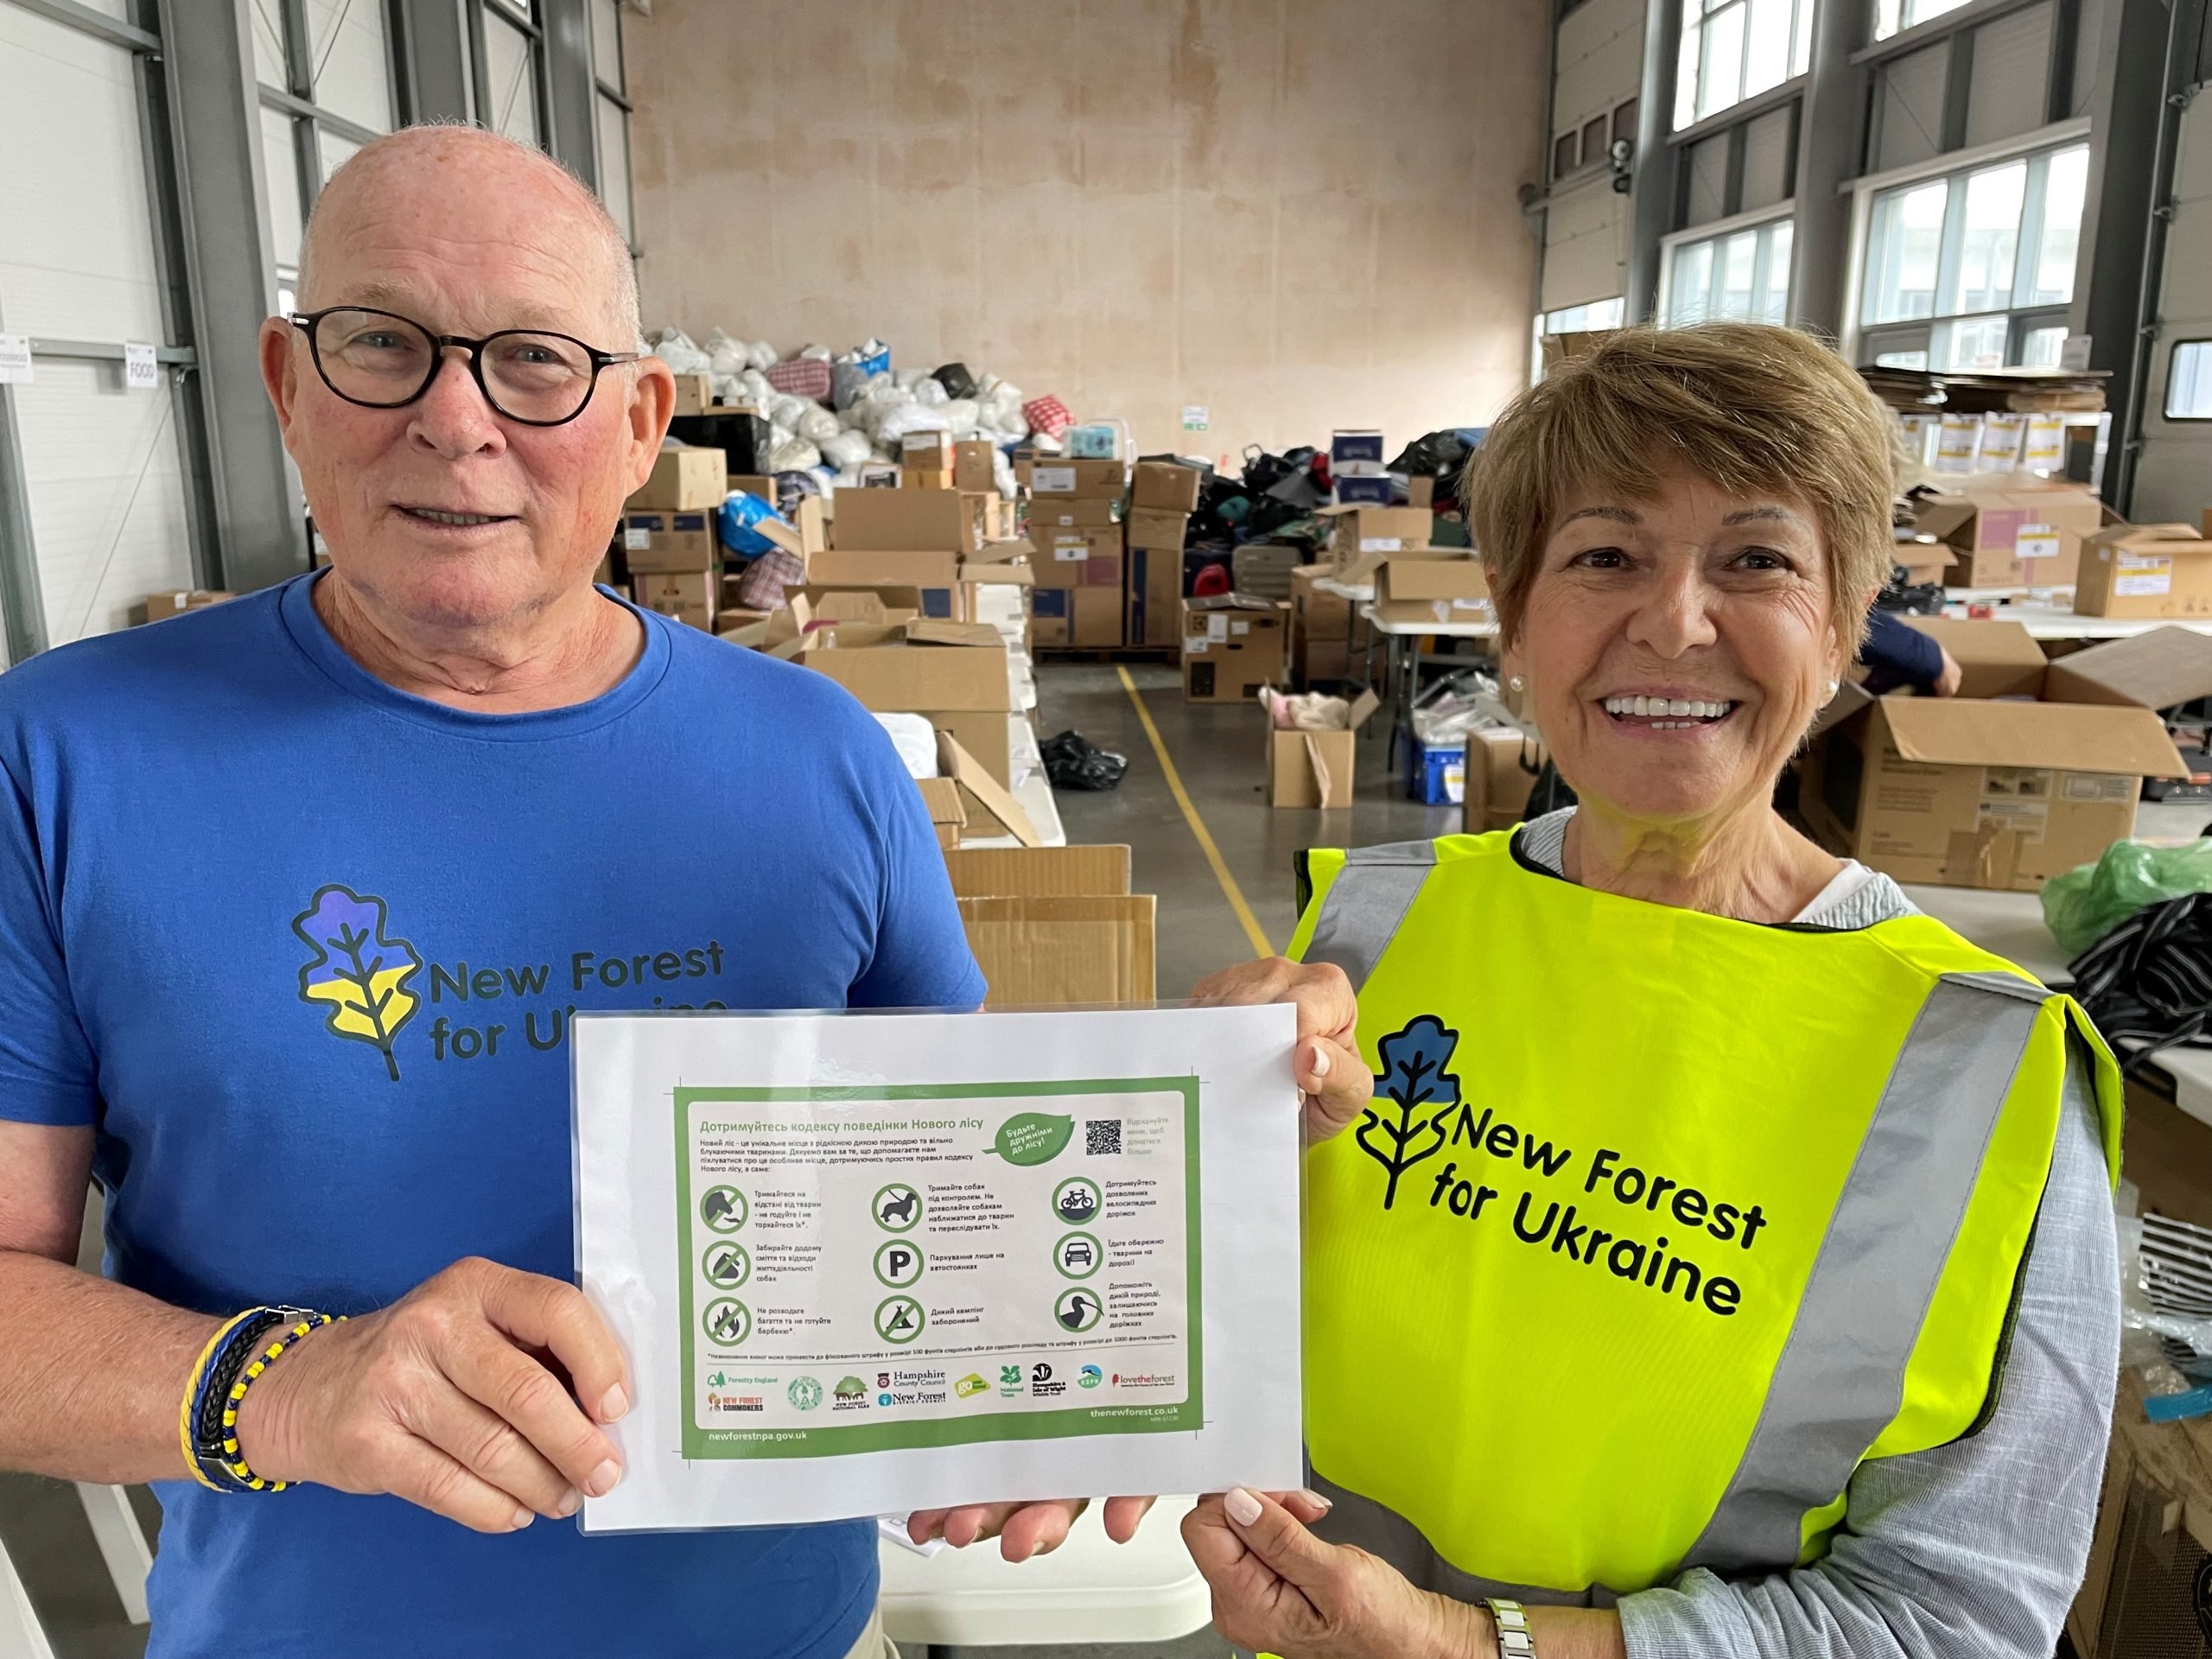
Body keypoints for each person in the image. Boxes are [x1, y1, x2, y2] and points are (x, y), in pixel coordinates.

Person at [0, 125, 988, 1657]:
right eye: (383, 343)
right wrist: (291, 1391)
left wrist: (1041, 1402)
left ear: (641, 415)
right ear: (283, 383)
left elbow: (962, 1204)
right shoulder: (58, 760)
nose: (456, 420)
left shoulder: (820, 758)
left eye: (535, 361)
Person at [1177, 323, 2122, 1659]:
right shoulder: (1377, 920)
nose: (1675, 622)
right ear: (1514, 615)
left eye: (1757, 560)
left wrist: (1471, 1645)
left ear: (1848, 622)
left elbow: (1955, 1616)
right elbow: (1256, 1326)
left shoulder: (1976, 1060)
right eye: (1606, 556)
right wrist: (1186, 1154)